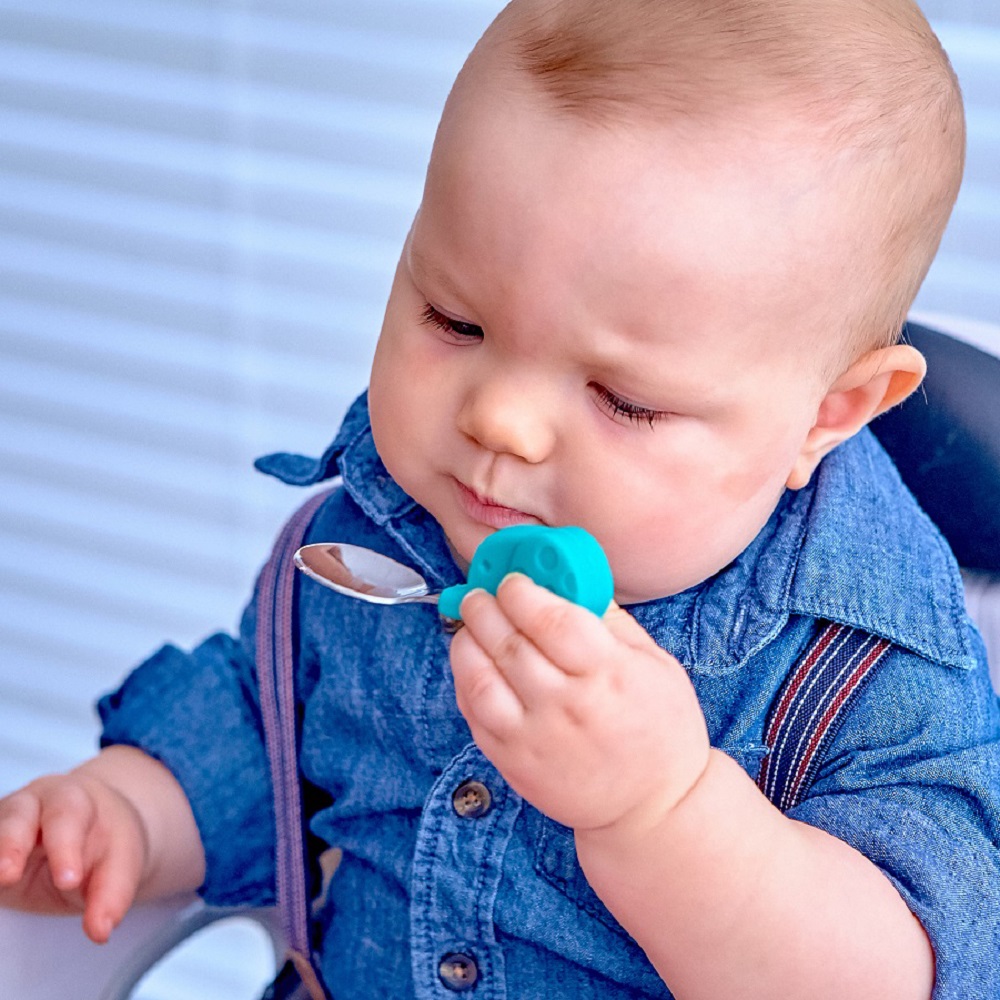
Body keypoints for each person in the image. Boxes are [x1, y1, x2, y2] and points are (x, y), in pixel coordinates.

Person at [1, 1, 998, 997]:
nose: (501, 421)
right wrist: (127, 817)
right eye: (455, 319)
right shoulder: (382, 540)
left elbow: (902, 972)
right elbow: (267, 732)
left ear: (827, 415)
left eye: (623, 399)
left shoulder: (870, 673)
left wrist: (664, 810)